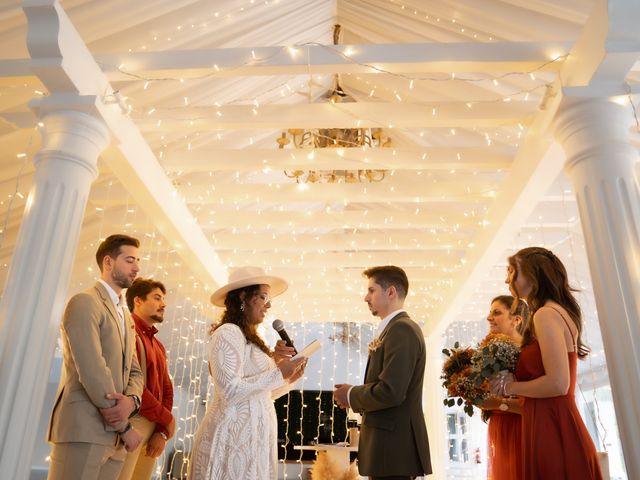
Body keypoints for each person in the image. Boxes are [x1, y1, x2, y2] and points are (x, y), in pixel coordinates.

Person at [490, 247, 603, 479]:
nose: (507, 280)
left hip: (553, 427)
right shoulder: (554, 312)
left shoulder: (545, 314)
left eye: (512, 272)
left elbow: (558, 383)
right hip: (550, 423)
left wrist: (508, 387)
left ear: (531, 276)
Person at [188, 266, 306, 480]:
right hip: (231, 440)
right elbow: (230, 392)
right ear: (243, 296)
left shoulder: (249, 337)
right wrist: (278, 373)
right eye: (263, 297)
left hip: (252, 440)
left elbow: (260, 394)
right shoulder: (227, 332)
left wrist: (289, 377)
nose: (268, 304)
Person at [47, 234, 144, 480]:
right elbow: (92, 369)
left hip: (115, 440)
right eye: (130, 260)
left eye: (138, 261)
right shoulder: (84, 302)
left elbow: (135, 371)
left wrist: (132, 401)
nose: (137, 267)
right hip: (84, 429)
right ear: (108, 263)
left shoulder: (126, 315)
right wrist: (124, 426)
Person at [333, 265, 431, 480]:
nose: (365, 298)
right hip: (388, 451)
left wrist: (351, 395)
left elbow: (391, 391)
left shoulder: (401, 329)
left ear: (391, 292)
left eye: (371, 290)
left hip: (393, 450)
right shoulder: (393, 329)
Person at [118, 278, 175, 480]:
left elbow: (167, 389)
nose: (163, 304)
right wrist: (166, 419)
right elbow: (132, 385)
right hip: (132, 420)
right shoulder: (126, 332)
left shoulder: (158, 345)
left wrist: (161, 431)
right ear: (138, 301)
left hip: (153, 425)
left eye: (163, 299)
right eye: (157, 297)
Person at [481, 295, 528, 480]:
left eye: (496, 312)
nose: (488, 317)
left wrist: (499, 404)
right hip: (499, 428)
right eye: (490, 312)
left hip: (521, 428)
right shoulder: (490, 351)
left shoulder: (529, 353)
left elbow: (536, 404)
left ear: (516, 320)